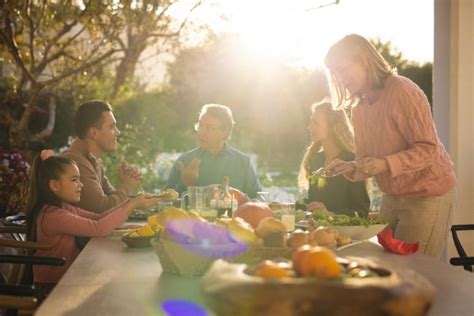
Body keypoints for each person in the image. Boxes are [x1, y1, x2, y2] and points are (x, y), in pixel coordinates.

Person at [324, 34, 457, 258]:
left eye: (343, 69)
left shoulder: (401, 90)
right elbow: (368, 162)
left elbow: (429, 149)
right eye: (335, 72)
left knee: (413, 272)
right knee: (389, 268)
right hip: (392, 198)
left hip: (427, 195)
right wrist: (350, 167)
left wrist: (385, 163)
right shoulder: (359, 108)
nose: (339, 77)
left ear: (364, 61)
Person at [25, 150, 160, 298]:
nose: (81, 184)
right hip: (53, 287)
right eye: (74, 179)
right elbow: (99, 228)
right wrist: (132, 206)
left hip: (67, 277)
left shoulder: (64, 207)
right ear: (55, 185)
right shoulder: (54, 216)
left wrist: (130, 202)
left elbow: (98, 218)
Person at [61, 100, 142, 213]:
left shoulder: (94, 160)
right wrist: (127, 186)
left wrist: (124, 184)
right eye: (112, 127)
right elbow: (103, 209)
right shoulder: (76, 162)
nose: (118, 132)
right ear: (94, 133)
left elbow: (111, 198)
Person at [166, 104, 262, 198]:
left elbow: (258, 201)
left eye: (208, 127)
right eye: (200, 126)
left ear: (225, 132)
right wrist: (184, 184)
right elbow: (165, 203)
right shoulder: (185, 161)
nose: (201, 132)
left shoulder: (243, 162)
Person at [297, 100, 370, 217]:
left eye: (315, 123)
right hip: (318, 232)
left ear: (332, 127)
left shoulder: (351, 162)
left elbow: (361, 213)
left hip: (344, 233)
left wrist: (330, 215)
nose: (309, 127)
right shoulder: (316, 160)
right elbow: (313, 203)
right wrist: (287, 207)